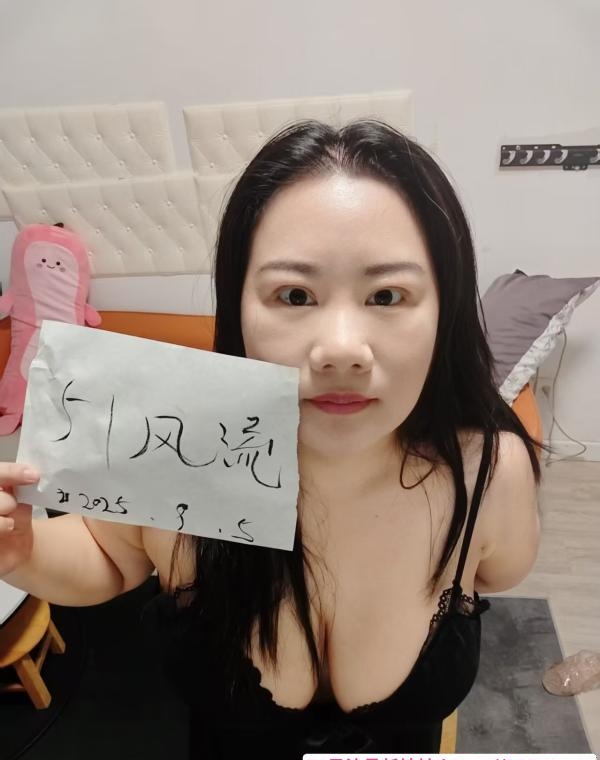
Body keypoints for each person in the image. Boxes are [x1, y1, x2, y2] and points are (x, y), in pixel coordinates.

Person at [0, 119, 543, 757]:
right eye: (294, 294)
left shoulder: (489, 469)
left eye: (387, 295)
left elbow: (501, 570)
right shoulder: (177, 439)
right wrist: (23, 549)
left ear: (444, 310)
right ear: (240, 305)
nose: (341, 349)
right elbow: (110, 555)